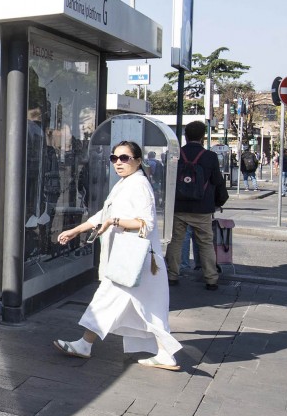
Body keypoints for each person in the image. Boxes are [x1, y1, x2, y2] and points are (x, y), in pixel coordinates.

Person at [53, 141, 182, 371]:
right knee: (150, 309)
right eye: (114, 158)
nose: (118, 163)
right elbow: (105, 213)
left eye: (125, 158)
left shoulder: (138, 185)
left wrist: (114, 222)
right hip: (131, 260)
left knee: (108, 300)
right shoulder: (126, 183)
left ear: (138, 160)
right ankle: (165, 353)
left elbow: (146, 223)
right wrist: (76, 230)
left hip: (135, 260)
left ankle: (84, 345)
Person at [166, 122, 228, 291]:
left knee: (176, 241)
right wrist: (219, 202)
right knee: (206, 243)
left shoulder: (177, 154)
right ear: (203, 137)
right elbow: (217, 182)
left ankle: (172, 275)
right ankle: (211, 279)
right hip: (202, 208)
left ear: (186, 136)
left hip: (178, 206)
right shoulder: (209, 156)